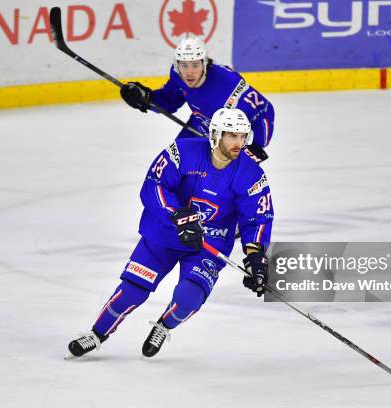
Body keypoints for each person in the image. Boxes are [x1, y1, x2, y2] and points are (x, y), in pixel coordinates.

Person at [67, 108, 274, 358]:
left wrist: (255, 257)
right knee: (132, 291)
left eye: (242, 136)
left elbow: (257, 217)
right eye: (231, 136)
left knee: (189, 297)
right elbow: (153, 185)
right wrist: (177, 215)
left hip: (209, 241)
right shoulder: (183, 151)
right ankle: (97, 334)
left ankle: (163, 326)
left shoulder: (250, 173)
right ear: (215, 135)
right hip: (165, 232)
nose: (238, 143)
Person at [119, 36, 275, 156]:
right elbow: (170, 100)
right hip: (197, 127)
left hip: (226, 139)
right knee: (175, 164)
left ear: (204, 64)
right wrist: (146, 98)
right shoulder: (177, 75)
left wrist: (256, 147)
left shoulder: (229, 84)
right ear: (177, 65)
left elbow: (265, 111)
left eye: (195, 65)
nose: (189, 72)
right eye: (184, 65)